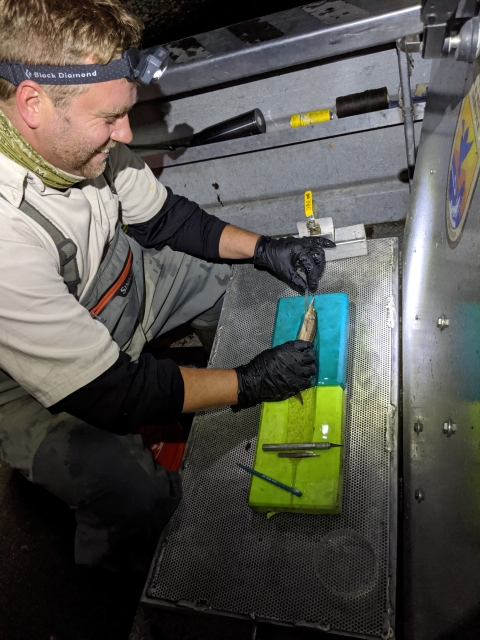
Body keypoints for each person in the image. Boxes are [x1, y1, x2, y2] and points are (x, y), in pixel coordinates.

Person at [0, 0, 334, 572]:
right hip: (44, 385)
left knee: (235, 276)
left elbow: (168, 221)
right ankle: (114, 570)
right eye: (111, 119)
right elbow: (115, 392)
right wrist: (250, 383)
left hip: (126, 287)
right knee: (133, 490)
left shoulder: (81, 143)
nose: (126, 133)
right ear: (33, 103)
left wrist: (264, 248)